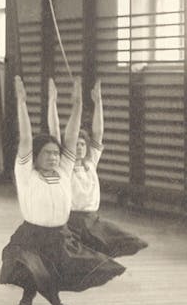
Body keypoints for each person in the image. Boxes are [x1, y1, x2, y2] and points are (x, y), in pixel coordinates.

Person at [0, 75, 124, 305]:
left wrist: (77, 105)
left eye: (56, 153)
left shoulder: (65, 170)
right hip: (33, 232)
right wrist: (22, 103)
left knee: (59, 265)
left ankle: (53, 296)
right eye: (47, 153)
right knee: (30, 265)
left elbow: (71, 136)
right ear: (36, 156)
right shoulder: (27, 173)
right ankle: (27, 298)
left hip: (59, 233)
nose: (54, 157)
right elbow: (26, 138)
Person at [47, 78, 147, 258]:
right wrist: (52, 102)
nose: (78, 147)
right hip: (70, 221)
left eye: (82, 144)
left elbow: (98, 133)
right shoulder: (64, 164)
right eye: (75, 144)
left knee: (129, 241)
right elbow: (55, 131)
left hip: (92, 220)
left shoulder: (90, 162)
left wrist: (98, 102)